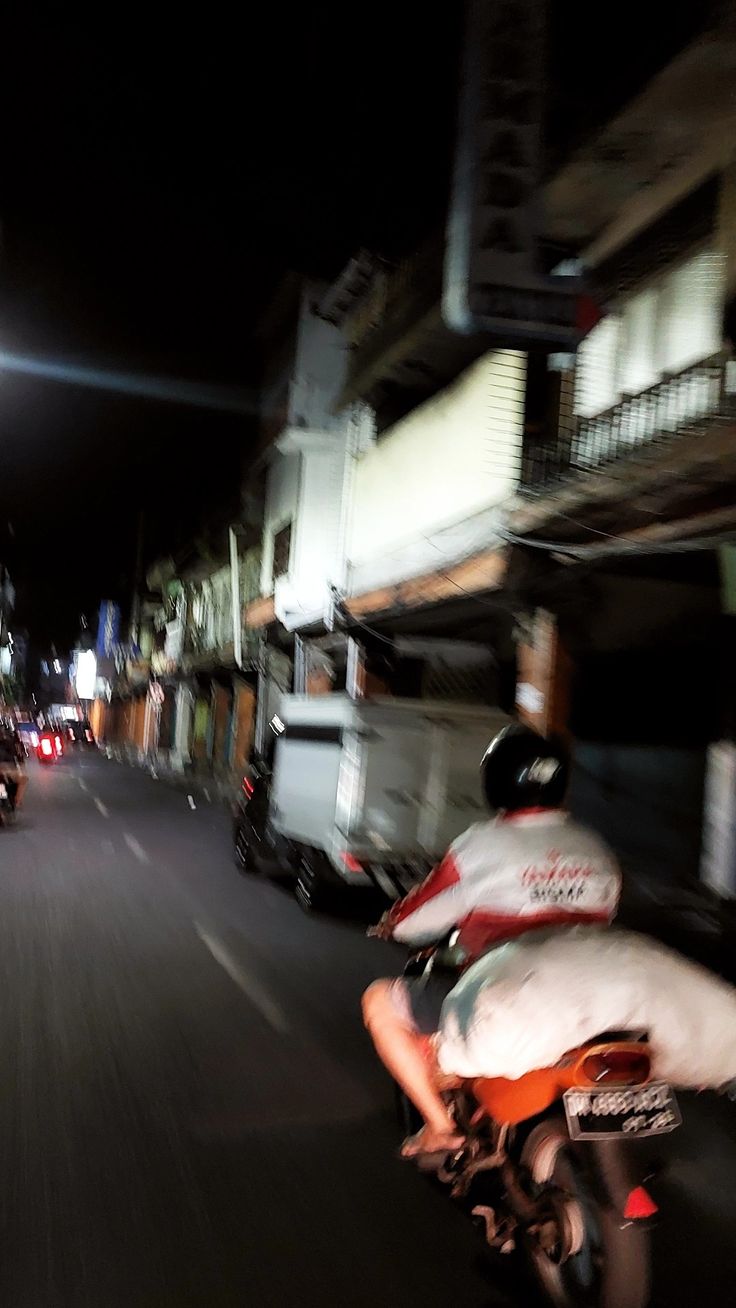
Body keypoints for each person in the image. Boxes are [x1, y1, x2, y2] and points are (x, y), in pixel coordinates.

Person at [362, 724, 622, 1157]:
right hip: (591, 990)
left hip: (504, 989)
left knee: (379, 1002)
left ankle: (440, 1127)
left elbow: (414, 922)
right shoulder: (595, 847)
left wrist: (393, 924)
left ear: (495, 782)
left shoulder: (478, 847)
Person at [0, 722, 28, 811]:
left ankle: (17, 800)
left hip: (8, 770)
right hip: (7, 770)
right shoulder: (8, 742)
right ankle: (17, 801)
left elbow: (17, 753)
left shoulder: (8, 742)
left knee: (23, 779)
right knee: (23, 779)